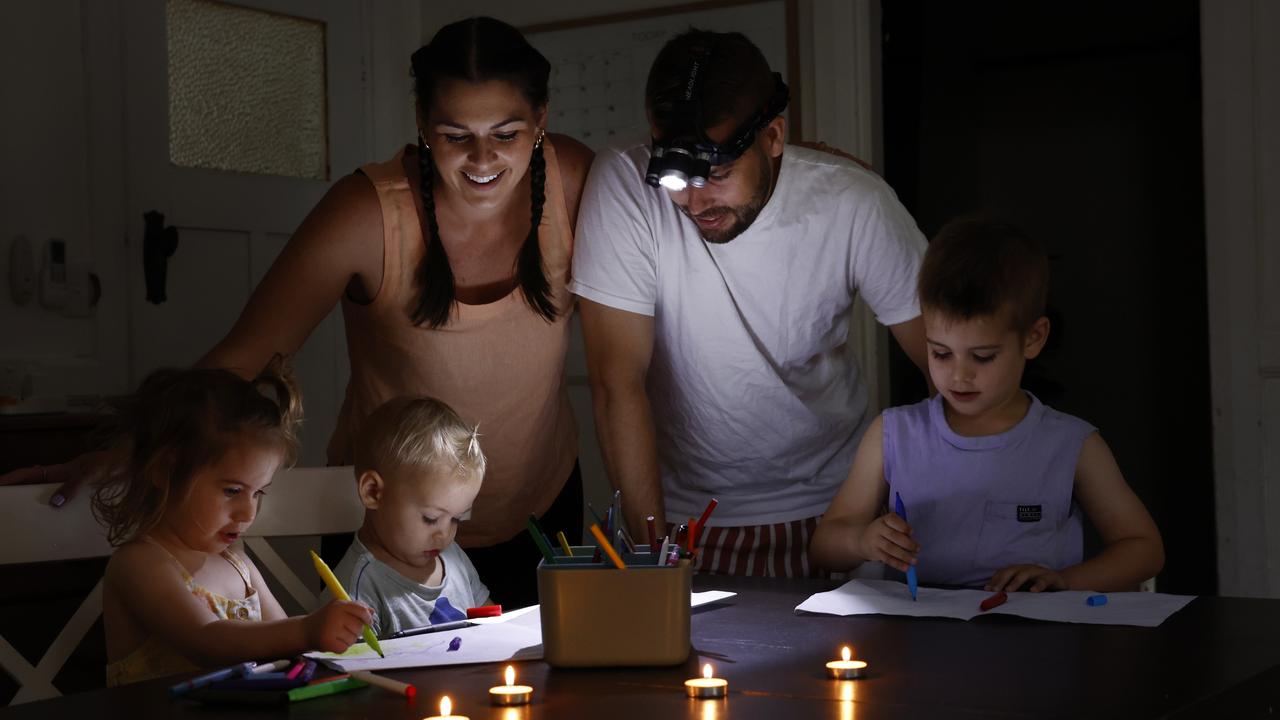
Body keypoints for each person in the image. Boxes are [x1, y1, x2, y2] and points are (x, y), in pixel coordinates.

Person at [10, 17, 592, 608]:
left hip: (541, 507)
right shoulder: (364, 213)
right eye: (455, 134)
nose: (482, 157)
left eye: (507, 133)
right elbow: (244, 359)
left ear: (541, 119)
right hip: (382, 524)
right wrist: (130, 449)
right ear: (421, 124)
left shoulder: (573, 182)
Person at [572, 29, 930, 577]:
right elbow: (616, 383)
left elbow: (948, 361)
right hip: (686, 522)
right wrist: (655, 561)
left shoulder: (852, 201)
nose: (694, 201)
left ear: (773, 137)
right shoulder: (624, 185)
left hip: (838, 513)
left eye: (716, 174)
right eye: (676, 176)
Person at [809, 218, 1165, 592]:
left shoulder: (1073, 445)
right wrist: (861, 541)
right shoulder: (893, 434)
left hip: (1036, 640)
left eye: (982, 357)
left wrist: (1064, 580)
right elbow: (824, 549)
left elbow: (1144, 550)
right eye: (941, 353)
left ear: (1033, 338)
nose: (959, 376)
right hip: (920, 640)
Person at [94, 360, 372, 686]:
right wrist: (307, 629)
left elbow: (284, 643)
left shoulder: (238, 565)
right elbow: (206, 640)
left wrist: (327, 632)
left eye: (258, 493)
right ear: (165, 472)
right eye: (232, 490)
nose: (248, 513)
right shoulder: (140, 564)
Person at [331, 396, 490, 638]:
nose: (445, 534)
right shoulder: (358, 588)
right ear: (373, 492)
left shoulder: (453, 558)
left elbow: (491, 622)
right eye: (430, 518)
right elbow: (355, 670)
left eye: (457, 518)